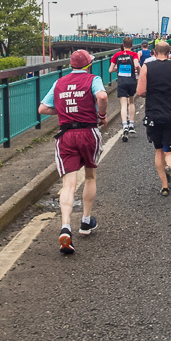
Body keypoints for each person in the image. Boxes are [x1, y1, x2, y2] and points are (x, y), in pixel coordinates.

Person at [38, 49, 109, 255]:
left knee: (68, 184)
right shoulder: (92, 79)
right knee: (89, 176)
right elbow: (102, 95)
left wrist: (61, 111)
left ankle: (65, 226)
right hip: (88, 132)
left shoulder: (59, 83)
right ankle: (86, 222)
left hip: (66, 135)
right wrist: (101, 114)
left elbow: (42, 108)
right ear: (88, 65)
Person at [137, 40, 171, 195]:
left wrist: (152, 93)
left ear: (154, 52)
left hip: (153, 114)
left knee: (158, 150)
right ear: (170, 53)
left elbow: (140, 92)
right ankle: (170, 167)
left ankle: (164, 187)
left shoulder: (147, 67)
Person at [108, 37, 140, 141]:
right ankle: (131, 124)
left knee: (123, 105)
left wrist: (118, 68)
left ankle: (124, 125)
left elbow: (110, 70)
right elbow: (136, 65)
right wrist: (139, 71)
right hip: (131, 81)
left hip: (121, 82)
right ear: (132, 45)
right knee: (131, 102)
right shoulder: (134, 54)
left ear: (123, 44)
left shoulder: (117, 55)